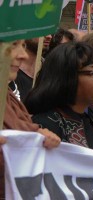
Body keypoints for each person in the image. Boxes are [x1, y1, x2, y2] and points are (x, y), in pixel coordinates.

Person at [1, 40, 61, 199]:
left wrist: (38, 136)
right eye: (13, 45)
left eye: (23, 46)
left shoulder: (7, 95)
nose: (23, 55)